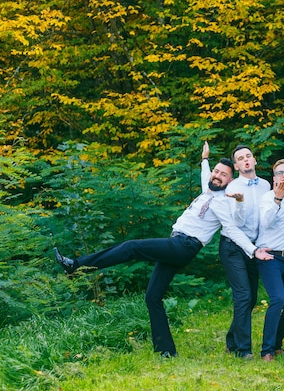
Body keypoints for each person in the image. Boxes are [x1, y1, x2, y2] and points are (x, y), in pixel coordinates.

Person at [54, 142, 262, 358]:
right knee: (152, 297)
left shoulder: (222, 202)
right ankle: (166, 350)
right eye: (216, 172)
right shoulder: (208, 190)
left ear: (230, 180)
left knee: (131, 247)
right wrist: (205, 160)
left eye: (223, 174)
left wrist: (253, 250)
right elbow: (206, 176)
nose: (217, 176)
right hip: (177, 244)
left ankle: (76, 265)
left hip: (184, 246)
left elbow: (232, 229)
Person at [220, 144, 271, 359]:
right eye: (241, 158)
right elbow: (236, 222)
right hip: (233, 245)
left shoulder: (266, 185)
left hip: (254, 247)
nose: (246, 160)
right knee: (243, 296)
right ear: (237, 165)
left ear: (255, 160)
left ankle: (231, 341)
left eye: (248, 156)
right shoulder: (232, 188)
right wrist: (240, 202)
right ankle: (243, 349)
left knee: (250, 299)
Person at [254, 159, 284, 362]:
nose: (283, 175)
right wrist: (278, 200)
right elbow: (266, 222)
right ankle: (267, 351)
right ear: (274, 178)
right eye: (279, 172)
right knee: (278, 299)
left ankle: (277, 343)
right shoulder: (267, 198)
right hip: (270, 257)